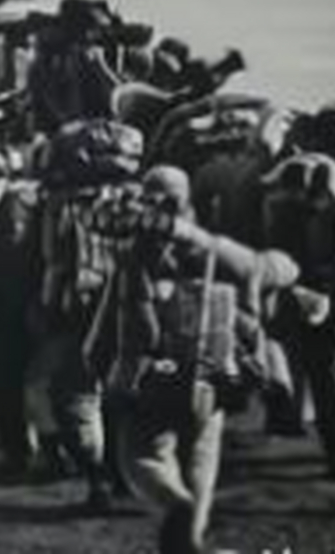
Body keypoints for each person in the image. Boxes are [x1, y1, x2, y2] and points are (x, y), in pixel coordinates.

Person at [87, 167, 301, 554]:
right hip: (208, 381)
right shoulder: (214, 253)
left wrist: (101, 369)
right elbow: (271, 270)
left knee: (142, 457)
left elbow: (103, 333)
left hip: (147, 382)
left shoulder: (133, 259)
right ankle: (192, 539)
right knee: (202, 460)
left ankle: (174, 504)